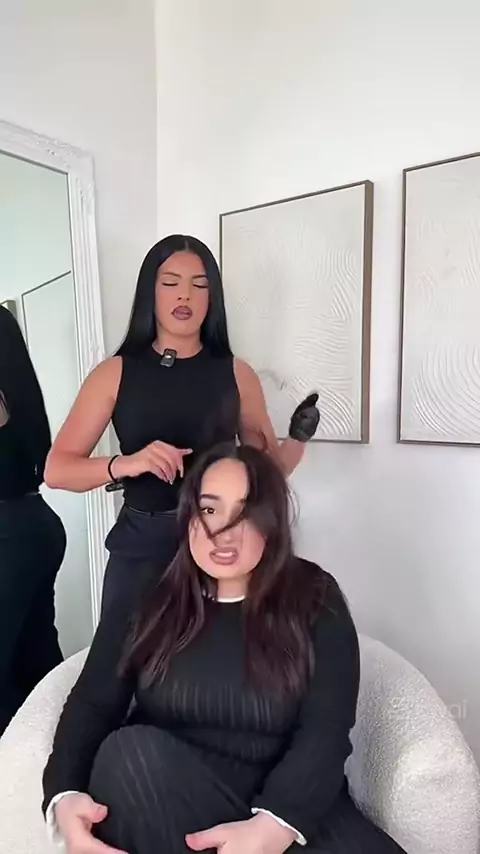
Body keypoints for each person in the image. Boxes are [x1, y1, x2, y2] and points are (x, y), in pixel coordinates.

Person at [43, 441, 406, 854]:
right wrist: (64, 794)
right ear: (188, 516)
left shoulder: (315, 597)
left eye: (245, 514)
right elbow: (93, 703)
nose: (223, 533)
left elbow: (326, 731)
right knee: (126, 757)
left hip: (287, 812)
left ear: (272, 523)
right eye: (209, 509)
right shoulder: (147, 594)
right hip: (172, 798)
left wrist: (272, 828)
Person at [44, 235, 319, 616]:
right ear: (150, 292)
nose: (185, 295)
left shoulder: (238, 374)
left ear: (212, 297)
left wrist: (299, 439)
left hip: (218, 544)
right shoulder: (114, 374)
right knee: (123, 653)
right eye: (171, 283)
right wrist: (127, 464)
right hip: (142, 548)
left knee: (215, 652)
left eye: (199, 285)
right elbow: (57, 471)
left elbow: (267, 473)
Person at [0, 306, 66, 735]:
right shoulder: (21, 397)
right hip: (31, 523)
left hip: (11, 532)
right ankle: (54, 752)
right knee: (35, 655)